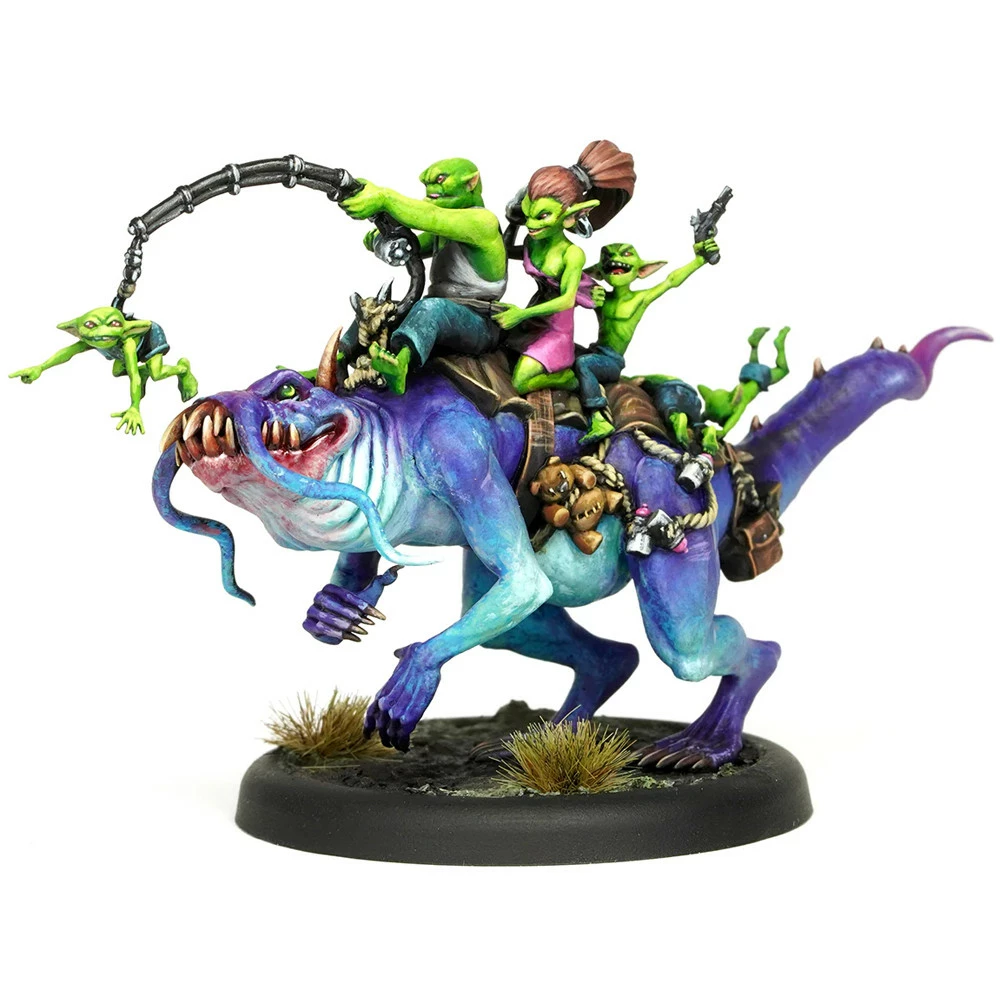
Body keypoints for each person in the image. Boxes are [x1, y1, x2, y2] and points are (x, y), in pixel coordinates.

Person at [338, 158, 507, 393]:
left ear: (471, 183)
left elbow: (429, 215)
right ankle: (337, 360)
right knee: (374, 309)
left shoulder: (482, 222)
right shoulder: (448, 227)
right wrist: (381, 233)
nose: (431, 190)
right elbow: (412, 244)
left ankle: (400, 366)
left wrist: (384, 198)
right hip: (439, 312)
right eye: (427, 184)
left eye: (440, 181)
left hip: (479, 321)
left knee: (431, 309)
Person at [494, 140, 636, 396]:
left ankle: (570, 379)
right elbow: (502, 252)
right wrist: (513, 221)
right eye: (528, 211)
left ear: (571, 216)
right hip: (532, 320)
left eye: (542, 216)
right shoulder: (533, 240)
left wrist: (519, 315)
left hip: (556, 330)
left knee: (519, 383)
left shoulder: (572, 254)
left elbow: (566, 300)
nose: (531, 224)